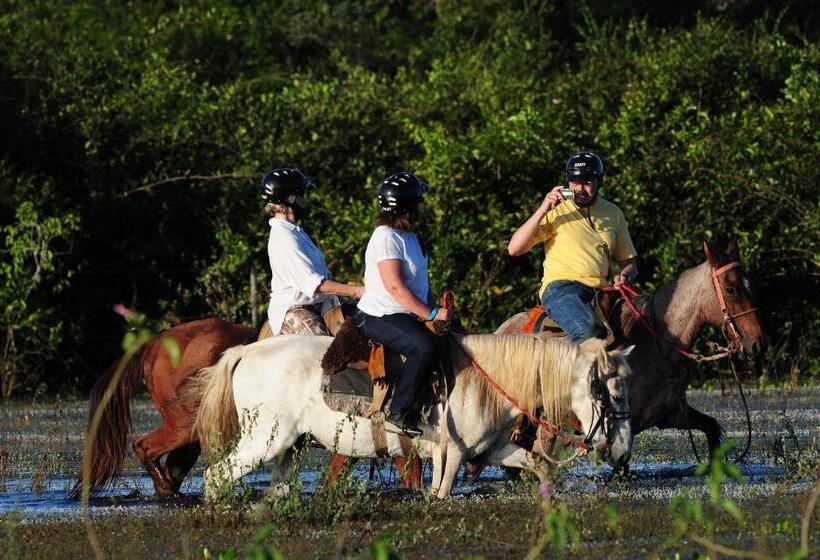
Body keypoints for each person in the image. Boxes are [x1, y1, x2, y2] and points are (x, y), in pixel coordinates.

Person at [507, 151, 638, 343]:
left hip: (602, 293)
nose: (579, 189)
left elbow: (630, 263)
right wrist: (543, 208)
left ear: (599, 181)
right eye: (574, 182)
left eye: (587, 183)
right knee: (589, 334)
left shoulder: (613, 212)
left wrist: (625, 276)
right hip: (562, 288)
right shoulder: (555, 209)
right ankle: (565, 361)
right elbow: (514, 249)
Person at [354, 172, 449, 437]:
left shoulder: (409, 236)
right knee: (423, 347)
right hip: (379, 314)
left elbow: (420, 283)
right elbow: (395, 287)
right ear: (408, 206)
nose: (421, 206)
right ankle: (398, 412)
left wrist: (435, 309)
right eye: (418, 201)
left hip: (404, 312)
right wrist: (430, 313)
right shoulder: (386, 237)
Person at [261, 167, 364, 337]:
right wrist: (357, 291)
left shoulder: (295, 232)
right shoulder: (285, 238)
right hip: (296, 308)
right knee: (326, 350)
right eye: (302, 195)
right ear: (291, 198)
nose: (304, 200)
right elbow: (315, 284)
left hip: (321, 303)